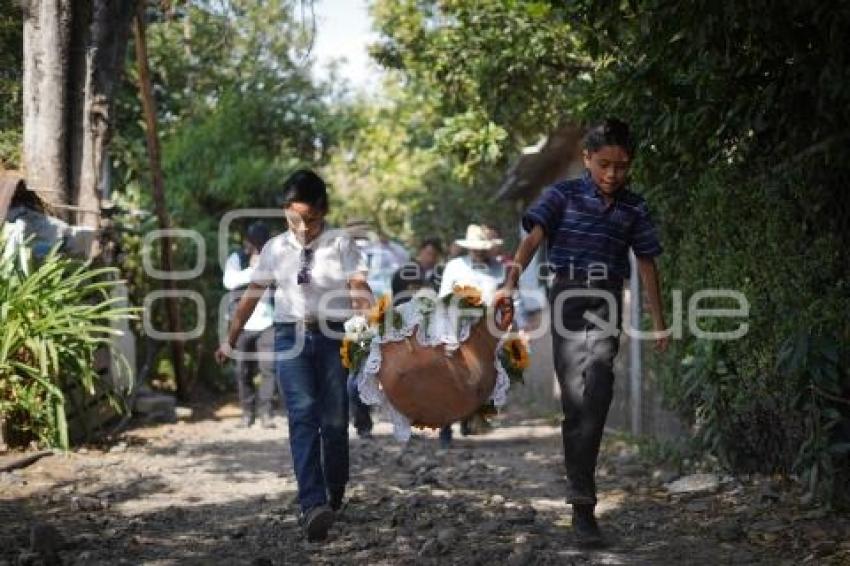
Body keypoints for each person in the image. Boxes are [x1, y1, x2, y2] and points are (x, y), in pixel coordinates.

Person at [496, 118, 668, 547]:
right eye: (605, 164)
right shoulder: (562, 195)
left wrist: (659, 321)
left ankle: (582, 497)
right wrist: (510, 283)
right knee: (576, 399)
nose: (613, 174)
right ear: (588, 159)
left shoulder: (634, 207)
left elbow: (646, 263)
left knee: (599, 390)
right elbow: (533, 238)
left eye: (622, 167)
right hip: (569, 295)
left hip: (607, 298)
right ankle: (582, 504)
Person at [215, 169, 372, 543]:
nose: (302, 227)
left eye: (311, 219)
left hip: (334, 337)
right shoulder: (274, 249)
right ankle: (312, 504)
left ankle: (334, 490)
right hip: (289, 338)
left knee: (334, 424)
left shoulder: (341, 245)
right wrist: (229, 341)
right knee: (301, 416)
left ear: (324, 211)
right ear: (285, 211)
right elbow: (249, 300)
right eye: (293, 218)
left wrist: (370, 324)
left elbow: (359, 288)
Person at [437, 224, 506, 448]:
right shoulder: (455, 267)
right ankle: (445, 428)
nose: (479, 252)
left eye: (483, 248)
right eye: (476, 248)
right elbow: (444, 299)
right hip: (456, 328)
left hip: (487, 330)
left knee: (482, 376)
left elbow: (510, 300)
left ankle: (470, 417)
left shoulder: (499, 270)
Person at [223, 221, 278, 428]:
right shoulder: (236, 258)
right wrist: (255, 270)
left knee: (269, 370)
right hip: (243, 323)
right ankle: (247, 413)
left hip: (268, 321)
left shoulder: (274, 260)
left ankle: (267, 414)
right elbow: (229, 281)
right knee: (242, 371)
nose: (256, 248)